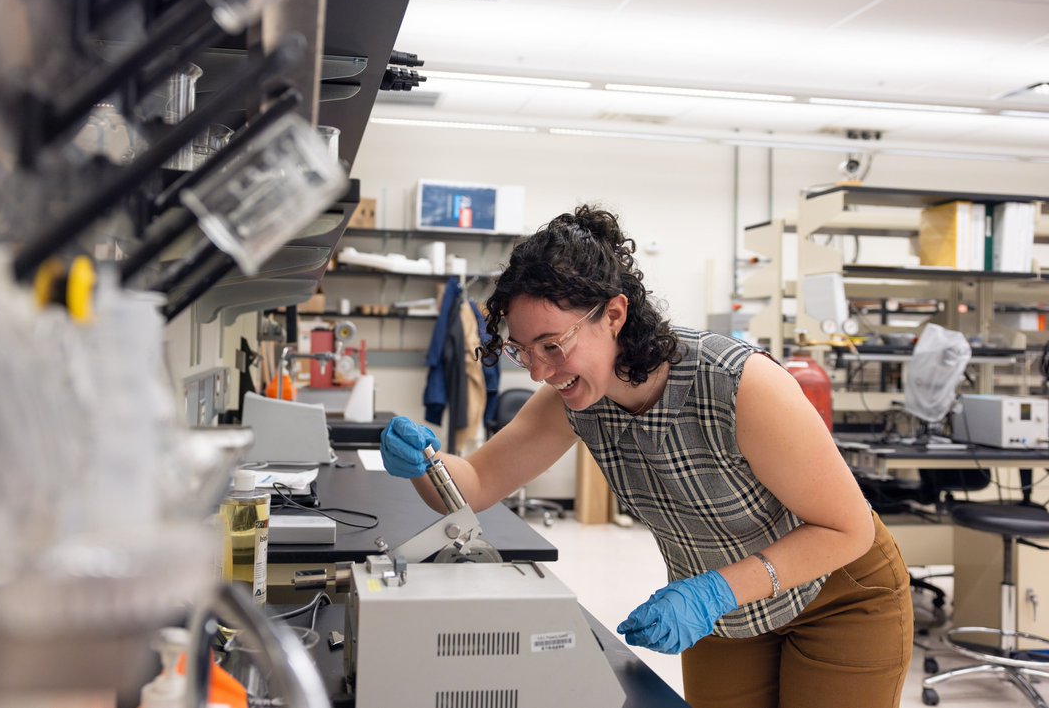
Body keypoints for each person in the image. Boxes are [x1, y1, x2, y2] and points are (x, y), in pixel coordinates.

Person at [380, 205, 912, 708]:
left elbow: (847, 530)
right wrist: (426, 461)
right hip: (726, 611)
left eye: (552, 344)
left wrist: (710, 594)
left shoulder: (735, 383)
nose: (539, 372)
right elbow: (473, 485)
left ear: (613, 314)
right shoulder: (574, 399)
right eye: (523, 352)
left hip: (836, 595)